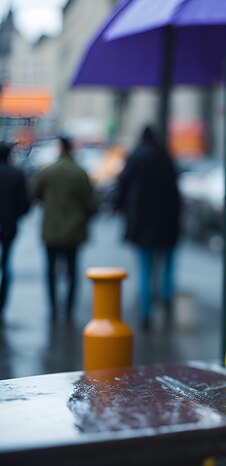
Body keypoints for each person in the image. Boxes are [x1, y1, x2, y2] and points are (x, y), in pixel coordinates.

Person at [112, 126, 180, 331]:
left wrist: (117, 205)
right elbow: (175, 192)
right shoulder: (165, 157)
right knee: (167, 263)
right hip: (166, 222)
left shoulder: (135, 156)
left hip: (142, 224)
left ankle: (145, 313)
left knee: (144, 267)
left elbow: (122, 185)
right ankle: (166, 300)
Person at [30, 136, 98, 321]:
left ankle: (52, 306)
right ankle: (68, 308)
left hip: (51, 230)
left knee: (50, 269)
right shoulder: (80, 173)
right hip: (74, 231)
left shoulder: (47, 172)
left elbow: (34, 194)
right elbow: (92, 204)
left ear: (59, 148)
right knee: (72, 270)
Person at [0, 143, 30, 324]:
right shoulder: (16, 174)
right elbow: (24, 204)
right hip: (9, 226)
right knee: (6, 265)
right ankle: (2, 304)